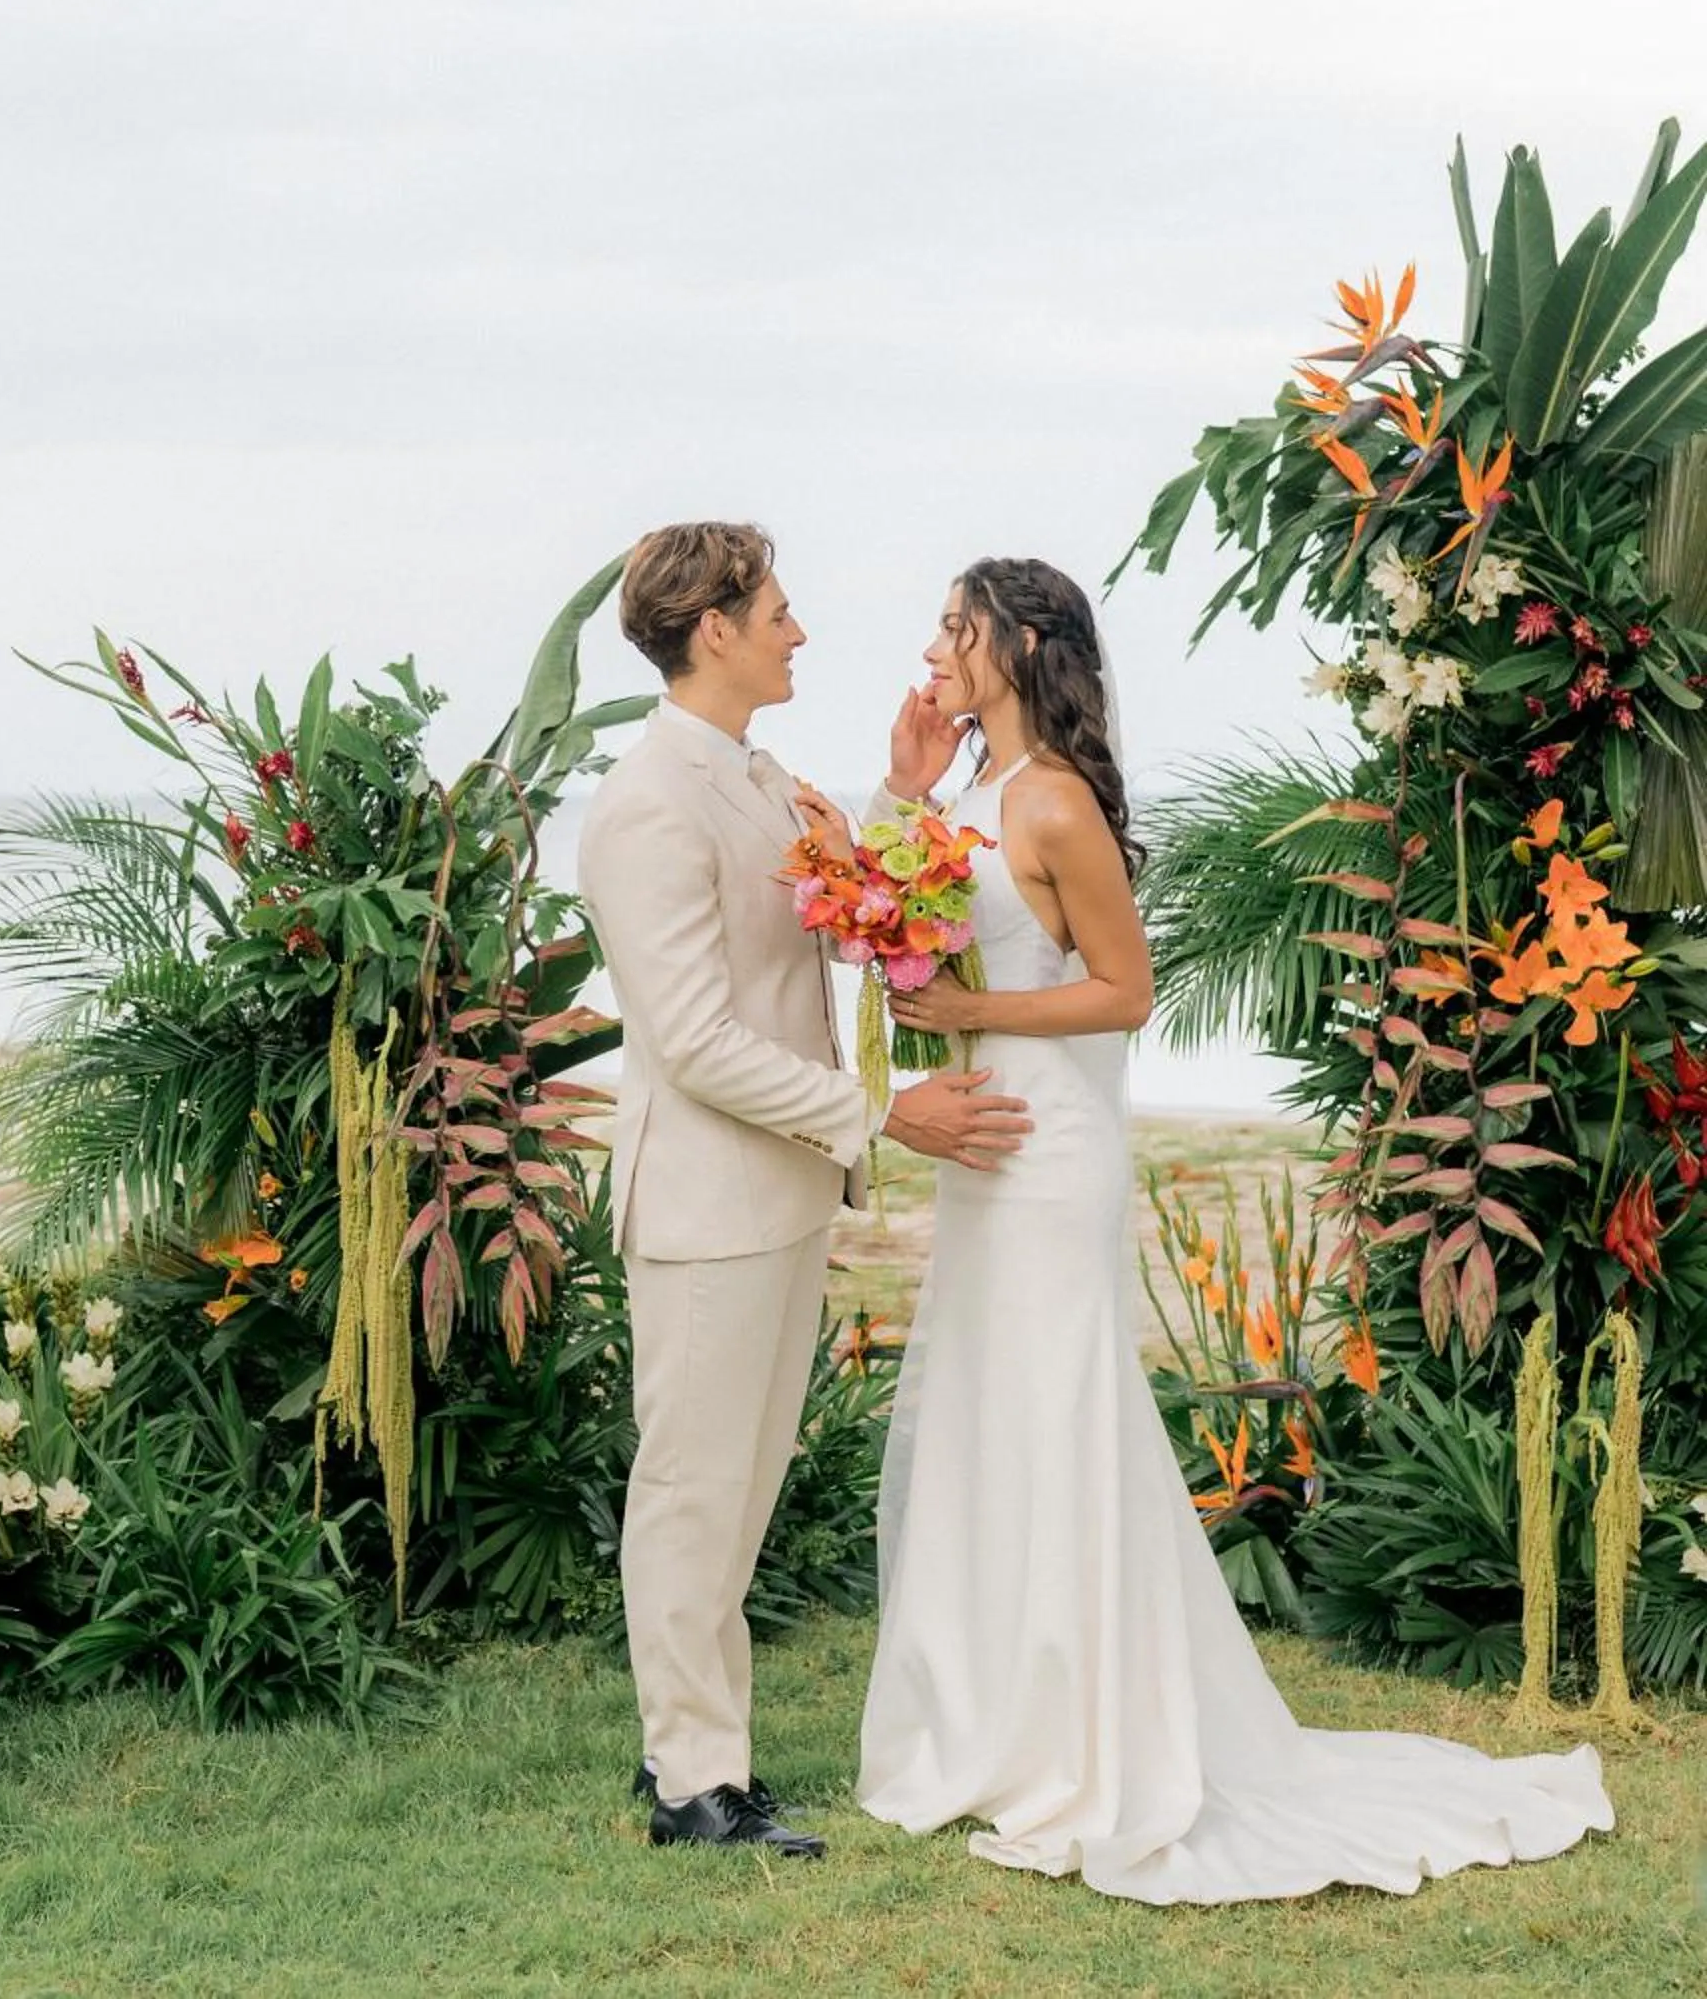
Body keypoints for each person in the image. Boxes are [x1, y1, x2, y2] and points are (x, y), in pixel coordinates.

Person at [852, 553, 1613, 1901]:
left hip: (1050, 1146)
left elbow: (1125, 991)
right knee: (987, 1409)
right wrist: (904, 789)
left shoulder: (1055, 800)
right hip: (984, 1140)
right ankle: (987, 1715)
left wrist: (970, 1015)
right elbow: (879, 924)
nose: (933, 648)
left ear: (1019, 646)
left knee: (1056, 1411)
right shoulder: (968, 791)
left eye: (955, 627)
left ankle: (1082, 1731)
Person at [577, 521, 1032, 1861]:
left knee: (738, 1492)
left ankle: (697, 1750)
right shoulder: (649, 804)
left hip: (776, 1194)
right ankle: (692, 1787)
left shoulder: (758, 776)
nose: (798, 632)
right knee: (693, 1495)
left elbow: (833, 923)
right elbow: (694, 1043)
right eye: (777, 611)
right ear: (713, 629)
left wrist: (899, 792)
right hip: (705, 1208)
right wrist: (887, 1112)